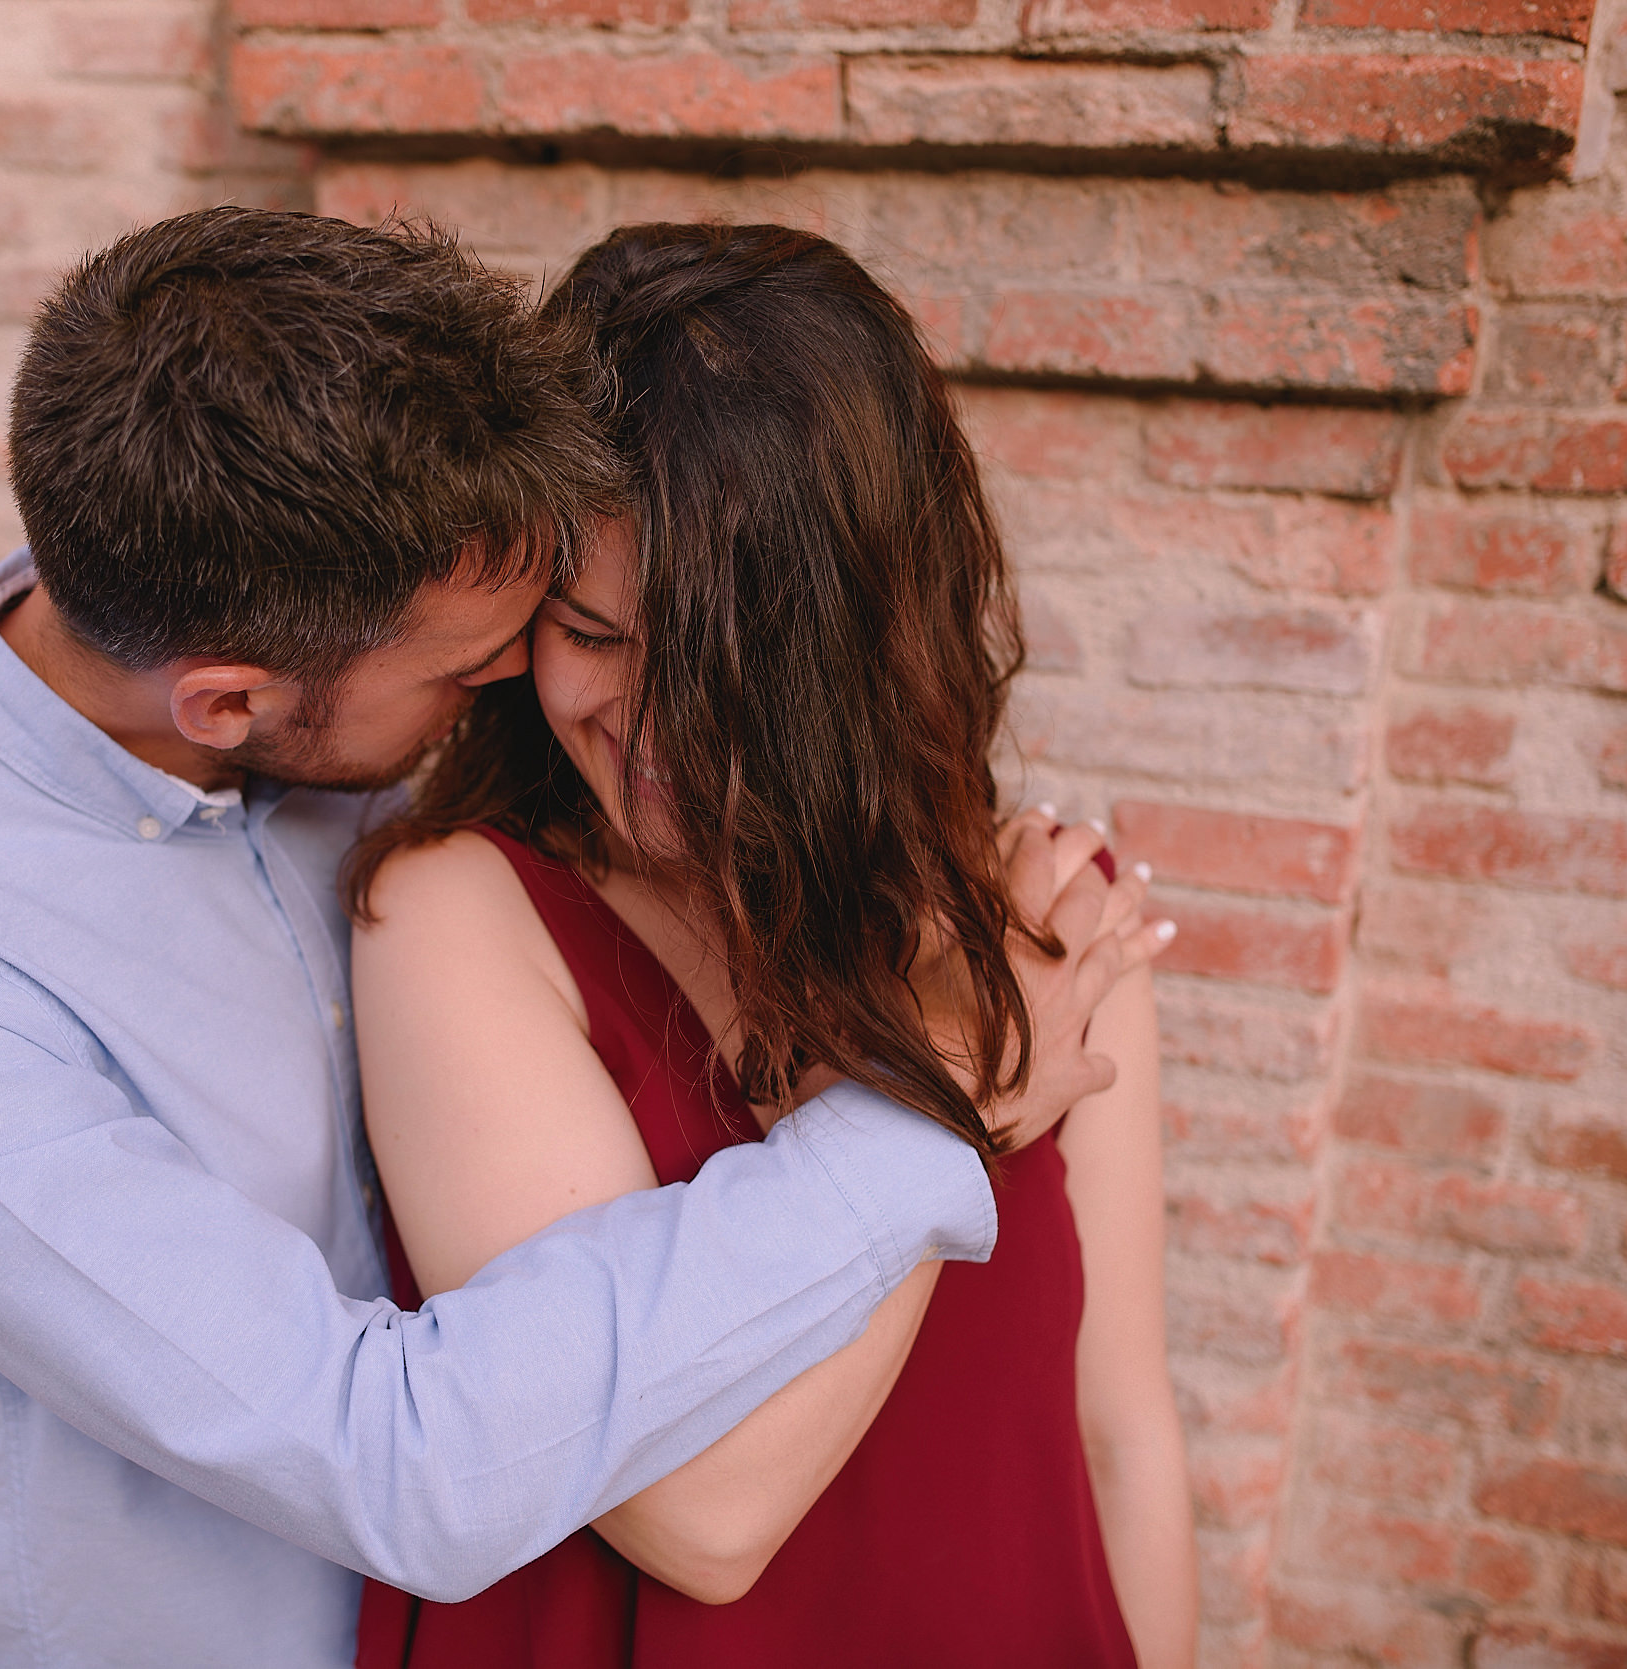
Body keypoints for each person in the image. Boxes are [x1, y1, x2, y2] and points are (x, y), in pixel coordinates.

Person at [0, 207, 1163, 1668]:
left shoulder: (346, 680)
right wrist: (939, 1095)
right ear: (231, 699)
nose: (519, 698)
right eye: (482, 670)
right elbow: (398, 1456)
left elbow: (1114, 1424)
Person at [349, 223, 1196, 1668]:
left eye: (723, 659)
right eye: (592, 631)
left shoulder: (1037, 915)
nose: (651, 726)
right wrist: (957, 1083)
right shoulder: (453, 914)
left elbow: (1119, 1427)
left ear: (861, 638)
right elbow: (696, 1514)